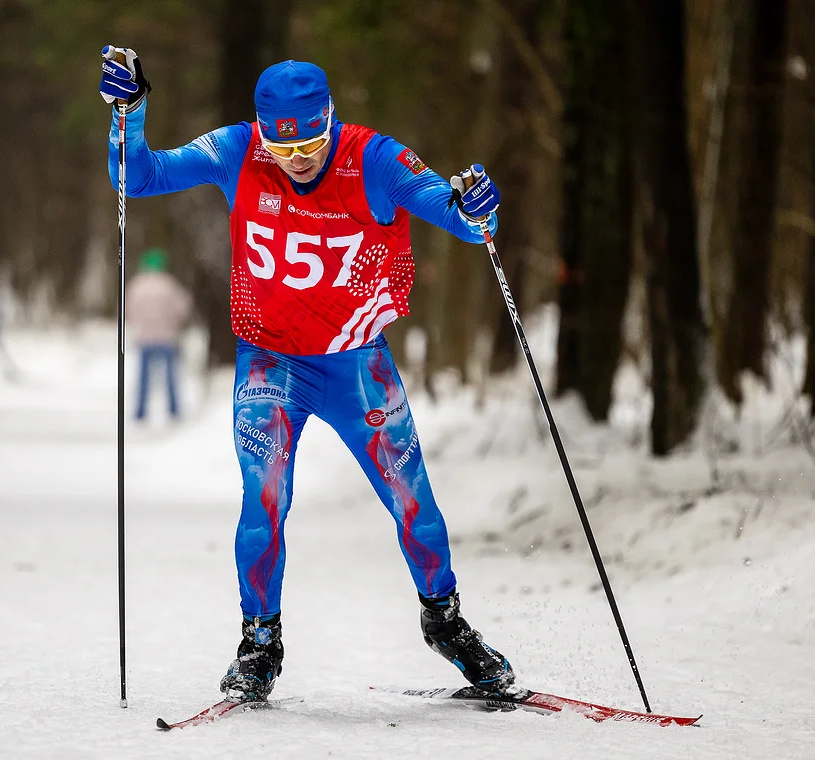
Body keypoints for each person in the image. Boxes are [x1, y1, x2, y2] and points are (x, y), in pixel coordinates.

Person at [101, 49, 512, 701]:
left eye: (312, 142)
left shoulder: (372, 158)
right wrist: (130, 112)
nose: (297, 159)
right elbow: (139, 177)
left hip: (356, 366)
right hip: (270, 363)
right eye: (282, 146)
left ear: (330, 121)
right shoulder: (239, 149)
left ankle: (446, 622)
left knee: (415, 506)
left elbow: (451, 212)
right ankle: (259, 642)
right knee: (264, 502)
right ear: (262, 132)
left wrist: (473, 210)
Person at [125, 248, 193, 421]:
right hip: (167, 336)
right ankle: (174, 410)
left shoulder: (137, 285)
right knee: (170, 378)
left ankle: (140, 411)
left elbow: (128, 310)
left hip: (145, 337)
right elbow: (182, 308)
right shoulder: (169, 285)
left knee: (143, 378)